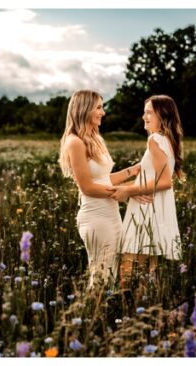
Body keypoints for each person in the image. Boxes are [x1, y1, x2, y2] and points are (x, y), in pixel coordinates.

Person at [57, 90, 144, 288]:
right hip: (95, 216)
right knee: (100, 277)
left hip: (111, 214)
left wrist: (133, 170)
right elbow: (87, 187)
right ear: (84, 109)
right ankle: (89, 315)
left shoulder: (94, 138)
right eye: (98, 107)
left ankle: (101, 314)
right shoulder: (74, 142)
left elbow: (104, 179)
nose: (103, 112)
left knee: (111, 274)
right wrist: (128, 191)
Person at [117, 95, 186, 289]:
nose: (143, 116)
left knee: (128, 272)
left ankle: (127, 310)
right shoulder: (167, 140)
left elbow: (164, 181)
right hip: (155, 207)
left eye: (149, 113)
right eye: (144, 112)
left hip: (145, 208)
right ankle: (148, 308)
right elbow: (153, 173)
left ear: (162, 116)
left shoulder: (155, 140)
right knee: (149, 271)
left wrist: (128, 190)